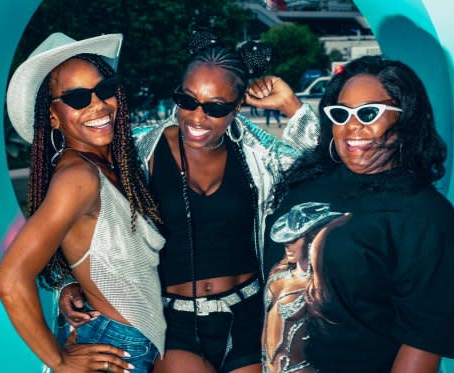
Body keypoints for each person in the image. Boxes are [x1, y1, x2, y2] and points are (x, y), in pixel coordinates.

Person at [59, 31, 321, 373]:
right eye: (187, 101)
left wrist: (292, 107)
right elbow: (77, 212)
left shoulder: (260, 157)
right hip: (173, 321)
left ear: (237, 107)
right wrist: (68, 278)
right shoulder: (139, 153)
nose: (197, 118)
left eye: (215, 108)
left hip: (249, 316)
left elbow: (326, 164)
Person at [264, 55, 454, 373]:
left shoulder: (425, 216)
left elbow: (424, 343)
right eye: (341, 114)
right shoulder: (305, 183)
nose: (352, 126)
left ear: (406, 119)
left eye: (369, 113)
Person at [0, 33, 166, 373]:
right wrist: (59, 360)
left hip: (126, 341)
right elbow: (9, 280)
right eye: (77, 98)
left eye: (104, 89)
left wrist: (71, 283)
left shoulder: (108, 167)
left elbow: (95, 246)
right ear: (53, 117)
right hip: (114, 348)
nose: (98, 105)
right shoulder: (77, 178)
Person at [263, 202, 350, 373]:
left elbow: (317, 255)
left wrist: (325, 230)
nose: (287, 244)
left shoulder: (314, 285)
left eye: (295, 238)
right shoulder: (277, 274)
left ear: (312, 237)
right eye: (286, 238)